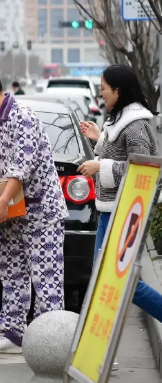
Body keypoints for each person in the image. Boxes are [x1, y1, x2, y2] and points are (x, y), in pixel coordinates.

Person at [0, 62, 68, 354]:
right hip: (12, 214)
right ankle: (13, 334)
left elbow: (22, 169)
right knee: (12, 273)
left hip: (41, 213)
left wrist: (2, 201)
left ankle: (52, 340)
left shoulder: (22, 118)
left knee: (46, 277)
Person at [78, 64, 162, 323]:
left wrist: (100, 165)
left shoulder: (135, 124)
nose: (101, 93)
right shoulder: (119, 117)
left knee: (119, 280)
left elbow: (144, 168)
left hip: (125, 212)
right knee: (106, 279)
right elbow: (121, 152)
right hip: (111, 210)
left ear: (118, 90)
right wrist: (98, 138)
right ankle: (99, 350)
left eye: (103, 88)